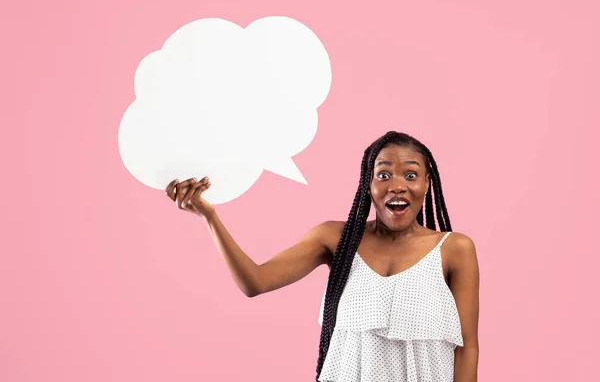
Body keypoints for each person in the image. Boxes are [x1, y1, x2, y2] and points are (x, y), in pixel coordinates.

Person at [165, 131, 479, 381]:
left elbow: (467, 349)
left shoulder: (455, 249)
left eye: (410, 176)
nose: (397, 185)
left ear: (427, 184)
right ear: (367, 185)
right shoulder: (334, 239)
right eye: (383, 175)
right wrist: (209, 217)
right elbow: (255, 281)